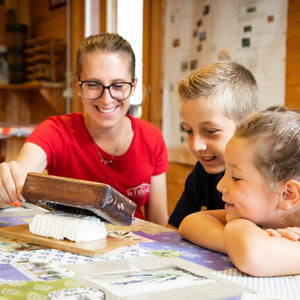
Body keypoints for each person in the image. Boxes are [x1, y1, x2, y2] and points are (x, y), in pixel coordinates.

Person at [0, 33, 169, 226]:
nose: (106, 99)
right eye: (93, 85)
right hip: (69, 245)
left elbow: (158, 225)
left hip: (132, 245)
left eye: (118, 85)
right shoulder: (55, 131)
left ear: (134, 86)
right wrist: (6, 188)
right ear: (77, 86)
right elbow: (18, 178)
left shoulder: (152, 138)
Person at [178, 106, 300, 277]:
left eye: (235, 177)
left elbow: (253, 256)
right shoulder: (261, 214)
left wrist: (239, 229)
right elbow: (190, 222)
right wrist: (237, 240)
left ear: (287, 194)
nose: (220, 186)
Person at [168, 62, 258, 228]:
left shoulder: (268, 178)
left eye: (210, 131)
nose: (196, 146)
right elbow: (174, 229)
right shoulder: (204, 170)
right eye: (188, 131)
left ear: (248, 124)